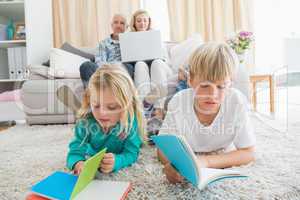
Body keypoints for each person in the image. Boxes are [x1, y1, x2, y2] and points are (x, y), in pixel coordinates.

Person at [158, 42, 256, 183]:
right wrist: (172, 165)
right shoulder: (179, 101)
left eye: (221, 86)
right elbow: (162, 149)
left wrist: (206, 161)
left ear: (230, 85)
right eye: (204, 86)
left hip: (218, 151)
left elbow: (249, 152)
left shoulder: (236, 101)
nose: (212, 94)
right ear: (190, 80)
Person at [66, 65, 144, 174]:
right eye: (96, 105)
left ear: (127, 105)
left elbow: (131, 153)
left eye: (112, 107)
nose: (102, 113)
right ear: (89, 101)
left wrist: (117, 161)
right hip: (93, 154)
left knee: (142, 140)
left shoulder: (130, 121)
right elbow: (74, 153)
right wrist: (78, 163)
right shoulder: (86, 121)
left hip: (119, 152)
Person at [129, 9, 173, 105]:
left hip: (160, 67)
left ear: (149, 22)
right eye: (139, 21)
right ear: (134, 23)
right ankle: (144, 105)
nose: (142, 23)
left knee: (156, 63)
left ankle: (159, 105)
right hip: (142, 67)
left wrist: (156, 57)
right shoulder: (129, 38)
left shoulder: (156, 35)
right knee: (140, 64)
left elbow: (166, 60)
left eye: (145, 20)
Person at [80, 14, 134, 88]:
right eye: (116, 22)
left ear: (127, 27)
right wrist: (109, 70)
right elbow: (100, 62)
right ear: (112, 25)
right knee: (86, 65)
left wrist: (115, 68)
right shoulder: (103, 43)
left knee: (129, 67)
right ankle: (93, 95)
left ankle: (115, 91)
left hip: (121, 72)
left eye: (122, 23)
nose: (118, 26)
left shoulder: (130, 42)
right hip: (104, 71)